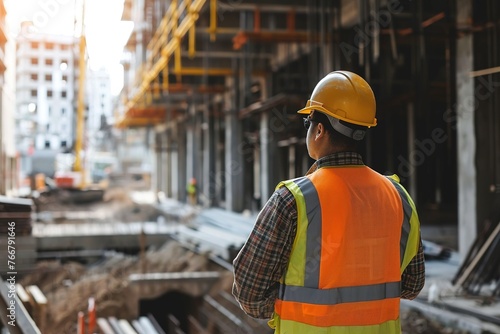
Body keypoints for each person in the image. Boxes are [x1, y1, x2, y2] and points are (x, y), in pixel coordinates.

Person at [232, 70, 425, 333]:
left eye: (308, 122)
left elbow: (250, 294)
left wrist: (293, 303)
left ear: (320, 129)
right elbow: (412, 286)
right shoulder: (398, 197)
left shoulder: (293, 200)